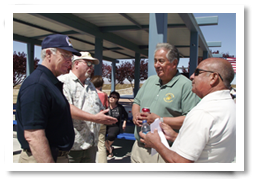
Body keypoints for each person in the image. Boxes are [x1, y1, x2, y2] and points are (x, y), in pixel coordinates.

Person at [140, 58, 236, 163]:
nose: (191, 76)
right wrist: (176, 137)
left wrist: (156, 144)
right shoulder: (231, 106)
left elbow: (180, 162)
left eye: (197, 72)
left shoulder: (203, 112)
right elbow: (210, 146)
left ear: (213, 77)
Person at [16, 34, 81, 163]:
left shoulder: (49, 83)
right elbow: (34, 135)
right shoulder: (38, 85)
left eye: (71, 57)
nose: (70, 60)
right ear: (48, 54)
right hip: (41, 158)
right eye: (66, 55)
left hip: (55, 156)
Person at [131, 43, 200, 163]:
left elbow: (190, 120)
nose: (156, 65)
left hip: (163, 152)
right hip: (138, 148)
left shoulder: (185, 85)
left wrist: (160, 120)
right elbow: (136, 102)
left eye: (161, 61)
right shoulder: (150, 81)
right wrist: (136, 114)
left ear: (174, 63)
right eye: (155, 61)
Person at [58, 52, 117, 163]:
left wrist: (105, 117)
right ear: (76, 64)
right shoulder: (64, 82)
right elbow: (66, 108)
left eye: (92, 65)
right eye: (88, 63)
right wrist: (94, 118)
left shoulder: (90, 84)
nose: (91, 67)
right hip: (73, 147)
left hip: (91, 145)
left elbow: (97, 106)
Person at [90, 75, 109, 163]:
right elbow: (107, 106)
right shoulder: (104, 94)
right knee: (101, 144)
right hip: (102, 119)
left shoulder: (89, 93)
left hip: (91, 119)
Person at [106, 91, 128, 158]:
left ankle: (108, 148)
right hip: (106, 124)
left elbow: (126, 115)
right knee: (100, 134)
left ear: (117, 99)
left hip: (115, 126)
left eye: (114, 97)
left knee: (111, 135)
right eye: (110, 96)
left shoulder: (120, 108)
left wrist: (124, 123)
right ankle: (109, 149)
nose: (111, 98)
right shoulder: (105, 106)